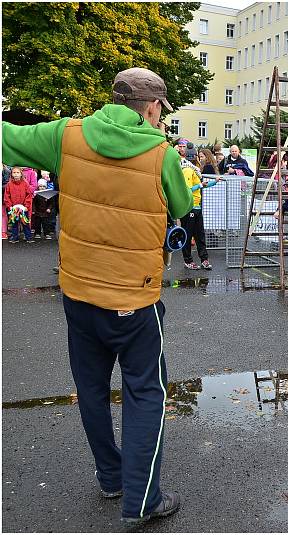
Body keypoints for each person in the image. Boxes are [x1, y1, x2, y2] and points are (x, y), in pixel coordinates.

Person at [2, 67, 192, 524]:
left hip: (79, 293)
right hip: (134, 299)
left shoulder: (64, 136)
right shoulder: (160, 154)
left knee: (91, 389)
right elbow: (182, 206)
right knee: (146, 393)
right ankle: (142, 500)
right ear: (151, 108)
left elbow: (6, 136)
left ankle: (110, 477)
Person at [180, 154, 213, 270]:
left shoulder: (194, 171)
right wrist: (200, 185)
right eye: (198, 157)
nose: (199, 159)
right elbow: (187, 190)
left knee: (200, 235)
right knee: (187, 236)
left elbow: (201, 186)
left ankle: (204, 259)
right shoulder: (188, 170)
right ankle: (188, 260)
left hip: (197, 208)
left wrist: (215, 182)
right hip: (189, 208)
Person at [4, 166, 33, 243]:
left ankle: (28, 237)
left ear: (21, 174)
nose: (16, 174)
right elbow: (7, 197)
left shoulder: (25, 183)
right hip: (14, 209)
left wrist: (26, 206)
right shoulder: (9, 184)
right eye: (14, 172)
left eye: (18, 172)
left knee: (25, 223)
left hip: (23, 208)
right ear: (11, 174)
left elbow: (29, 195)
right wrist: (9, 206)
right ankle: (15, 237)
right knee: (14, 224)